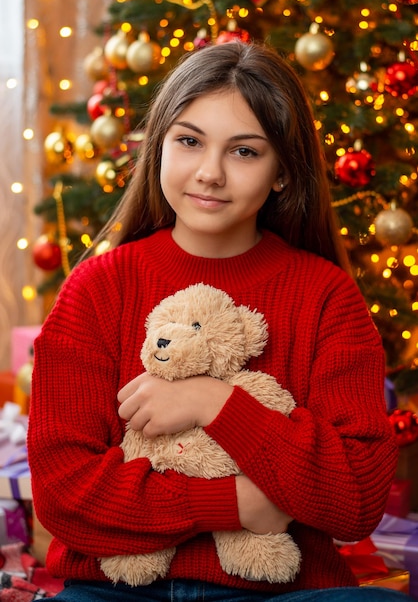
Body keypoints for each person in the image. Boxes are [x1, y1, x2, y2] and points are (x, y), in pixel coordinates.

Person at [27, 40, 410, 602]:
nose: (209, 173)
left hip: (282, 592)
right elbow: (64, 496)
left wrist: (216, 403)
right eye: (188, 141)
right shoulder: (95, 291)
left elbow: (353, 501)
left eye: (245, 152)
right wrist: (233, 503)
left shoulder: (328, 296)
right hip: (116, 591)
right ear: (159, 147)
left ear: (283, 172)